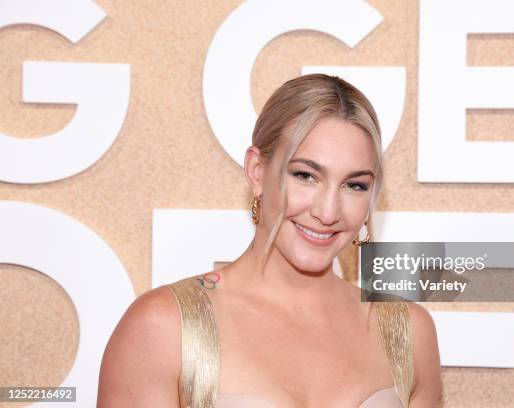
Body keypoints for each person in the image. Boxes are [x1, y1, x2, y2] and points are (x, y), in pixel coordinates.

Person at [97, 74, 441, 407]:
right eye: (305, 176)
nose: (328, 211)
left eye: (354, 185)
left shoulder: (409, 331)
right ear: (257, 171)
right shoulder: (164, 327)